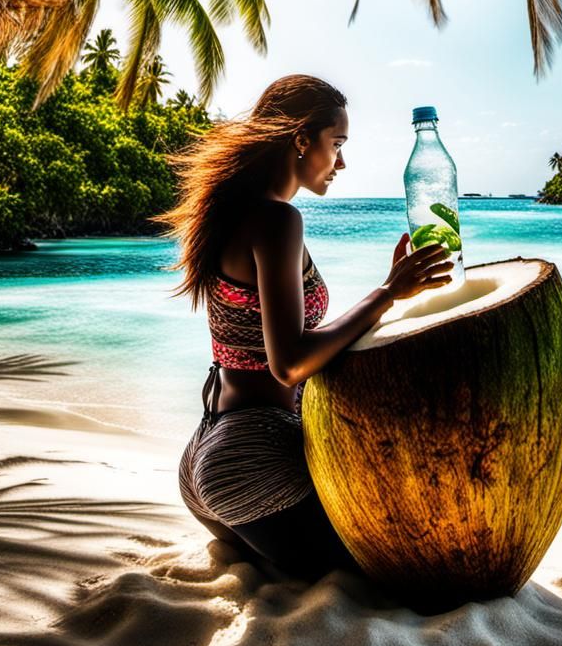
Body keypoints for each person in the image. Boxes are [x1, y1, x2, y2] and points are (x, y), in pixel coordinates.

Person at [156, 74, 453, 581]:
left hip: (206, 450)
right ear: (300, 140)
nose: (341, 162)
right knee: (408, 571)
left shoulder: (230, 212)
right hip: (253, 459)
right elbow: (290, 362)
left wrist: (388, 287)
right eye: (336, 145)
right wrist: (387, 294)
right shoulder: (277, 221)